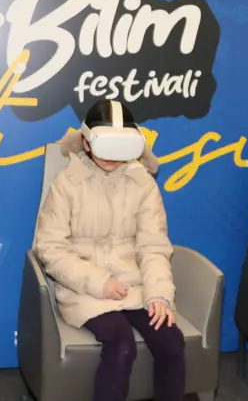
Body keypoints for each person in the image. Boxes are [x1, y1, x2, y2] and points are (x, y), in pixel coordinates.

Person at [32, 99, 185, 401]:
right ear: (87, 142)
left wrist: (159, 294)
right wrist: (99, 282)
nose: (112, 156)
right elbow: (50, 247)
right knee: (121, 345)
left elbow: (153, 246)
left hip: (134, 287)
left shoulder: (143, 184)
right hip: (84, 290)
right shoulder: (67, 184)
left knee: (171, 342)